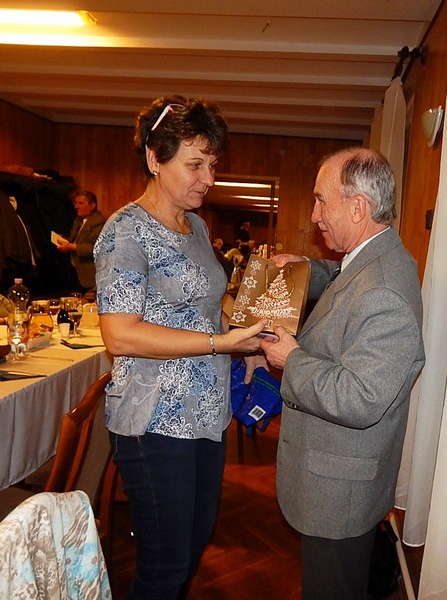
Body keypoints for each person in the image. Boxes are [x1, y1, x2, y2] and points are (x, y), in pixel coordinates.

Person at [93, 95, 266, 600]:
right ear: (155, 158)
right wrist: (218, 342)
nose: (208, 178)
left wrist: (246, 340)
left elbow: (209, 304)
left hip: (207, 413)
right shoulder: (125, 232)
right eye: (195, 164)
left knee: (193, 545)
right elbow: (119, 334)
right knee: (165, 565)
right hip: (154, 420)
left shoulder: (197, 226)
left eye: (212, 164)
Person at [259, 147, 426, 600]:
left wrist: (292, 359)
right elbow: (343, 277)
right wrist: (304, 269)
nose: (314, 215)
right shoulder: (374, 258)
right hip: (338, 482)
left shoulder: (385, 292)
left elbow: (361, 397)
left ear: (357, 207)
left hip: (339, 495)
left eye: (321, 200)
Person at [56, 190, 106, 292]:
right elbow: (76, 240)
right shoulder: (78, 220)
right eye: (76, 203)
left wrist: (71, 246)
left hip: (90, 275)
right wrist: (64, 240)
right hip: (75, 273)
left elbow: (96, 248)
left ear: (92, 205)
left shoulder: (98, 221)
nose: (76, 206)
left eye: (81, 203)